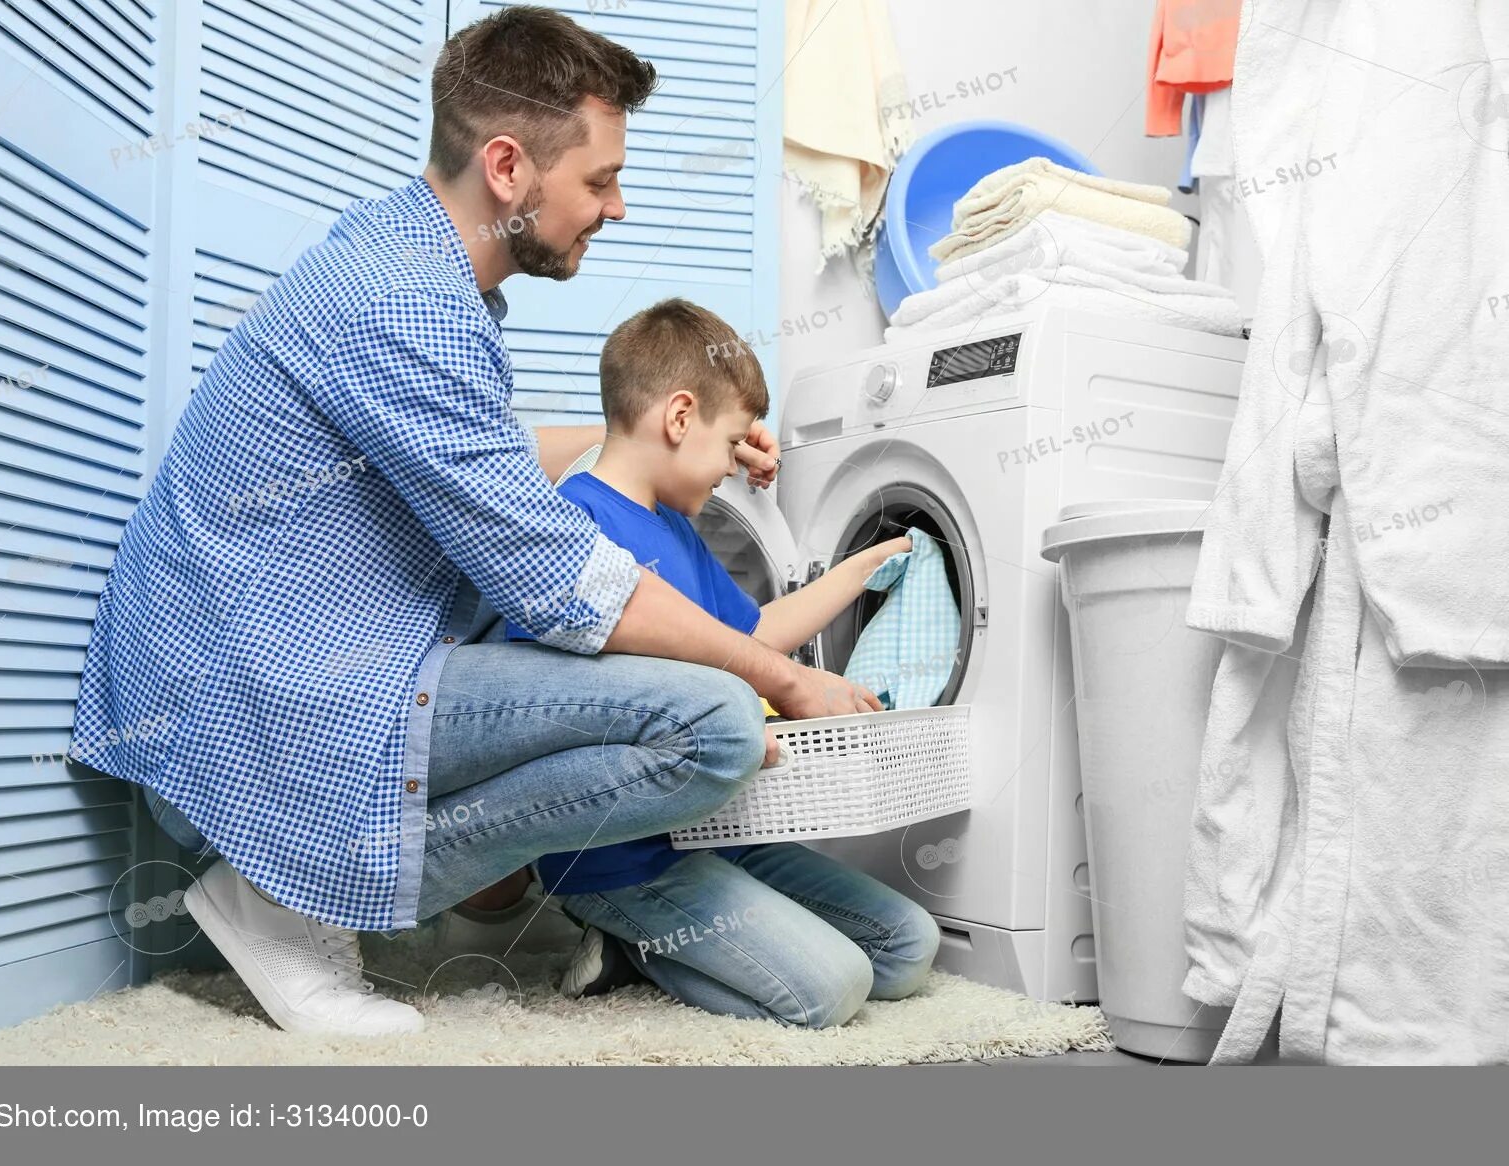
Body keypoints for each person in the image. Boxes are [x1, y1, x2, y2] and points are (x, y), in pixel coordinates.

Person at [69, 6, 881, 1037]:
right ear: (507, 167)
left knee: (659, 683)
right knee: (712, 718)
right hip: (248, 709)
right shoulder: (405, 302)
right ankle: (282, 897)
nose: (616, 207)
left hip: (276, 673)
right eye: (597, 181)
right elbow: (566, 582)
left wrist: (664, 447)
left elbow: (477, 459)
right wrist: (784, 672)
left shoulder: (409, 269)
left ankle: (362, 892)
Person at [503, 298, 941, 1027]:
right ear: (679, 418)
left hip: (719, 834)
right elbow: (560, 704)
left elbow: (755, 633)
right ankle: (629, 940)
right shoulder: (571, 527)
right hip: (623, 860)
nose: (735, 464)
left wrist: (872, 560)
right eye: (731, 440)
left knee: (905, 948)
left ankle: (656, 946)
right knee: (831, 991)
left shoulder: (675, 527)